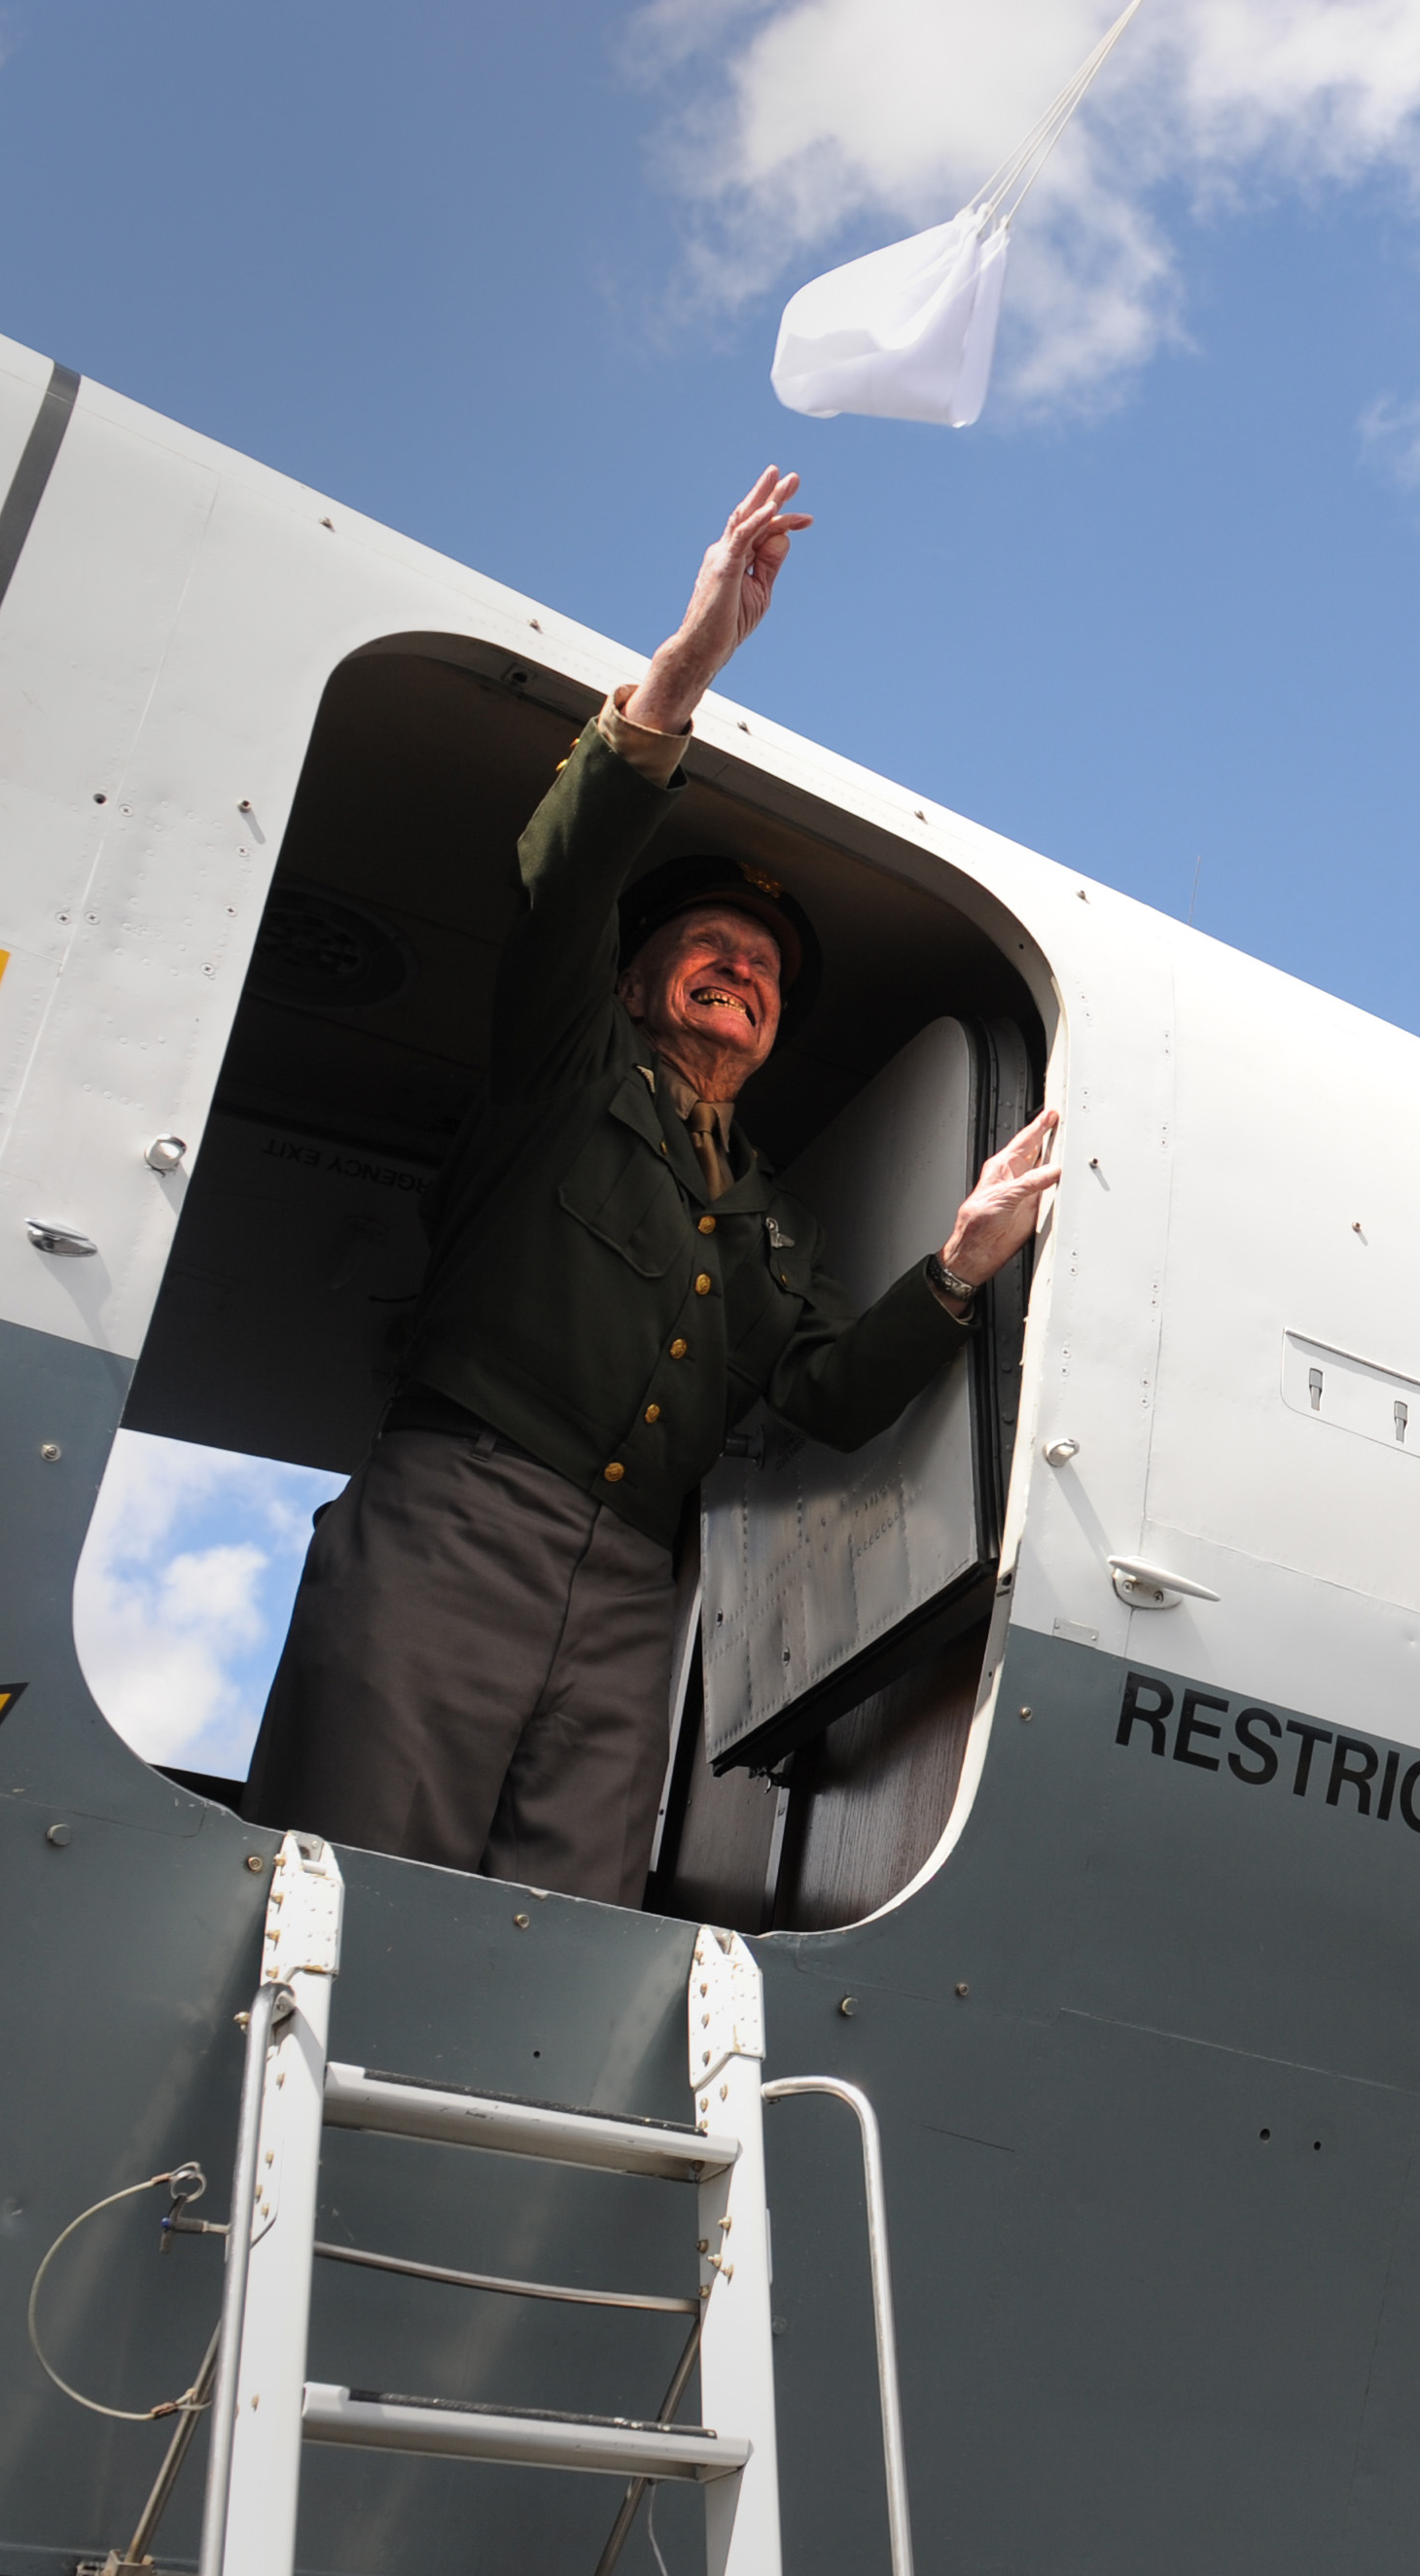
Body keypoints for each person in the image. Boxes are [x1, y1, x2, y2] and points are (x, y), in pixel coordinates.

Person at [243, 469, 1059, 1906]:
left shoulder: (764, 1212)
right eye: (708, 944)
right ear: (633, 981)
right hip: (459, 1521)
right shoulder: (562, 1070)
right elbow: (561, 883)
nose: (741, 967)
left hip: (632, 1592)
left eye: (763, 969)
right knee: (358, 1874)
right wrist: (682, 674)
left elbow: (822, 1391)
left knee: (562, 1927)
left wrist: (956, 1271)